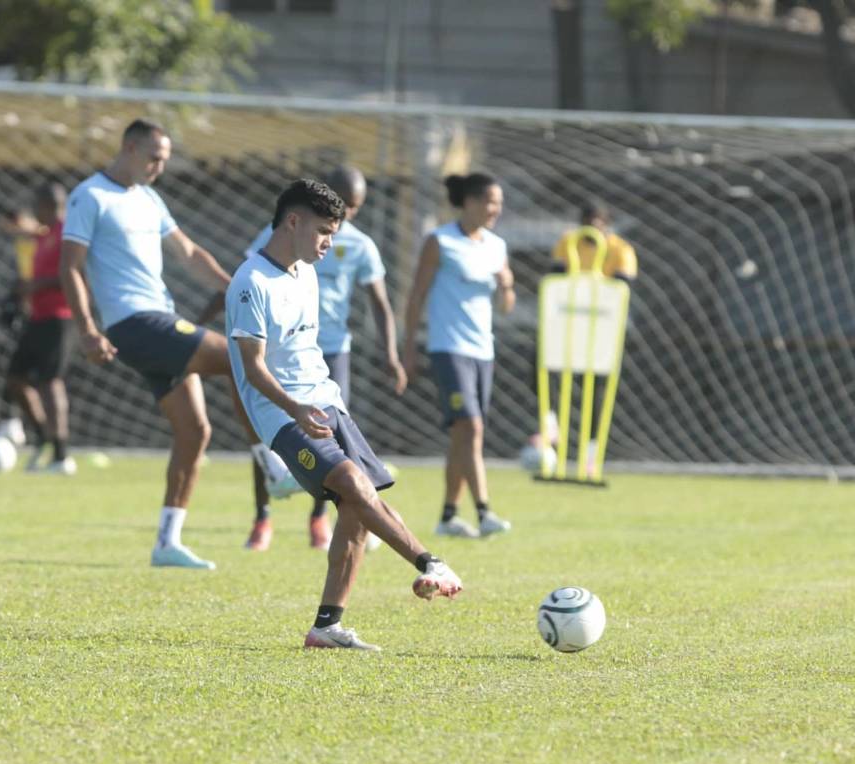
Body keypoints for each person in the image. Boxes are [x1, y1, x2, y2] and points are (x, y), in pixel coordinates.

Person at [227, 179, 462, 651]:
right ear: (293, 222)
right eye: (323, 232)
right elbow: (252, 370)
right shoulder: (251, 282)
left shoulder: (305, 273)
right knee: (354, 484)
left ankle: (327, 627)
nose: (330, 243)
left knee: (358, 508)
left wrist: (325, 404)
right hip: (283, 414)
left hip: (327, 401)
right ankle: (429, 562)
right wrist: (294, 407)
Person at [60, 118, 300, 571]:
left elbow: (189, 254)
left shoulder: (149, 199)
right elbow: (69, 266)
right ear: (129, 148)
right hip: (134, 323)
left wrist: (237, 290)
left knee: (195, 432)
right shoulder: (89, 196)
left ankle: (167, 543)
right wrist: (88, 329)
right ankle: (272, 467)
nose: (159, 167)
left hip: (160, 319)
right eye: (154, 157)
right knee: (238, 356)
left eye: (165, 160)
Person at [242, 165, 404, 552]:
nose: (348, 212)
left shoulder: (360, 245)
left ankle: (319, 519)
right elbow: (248, 277)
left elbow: (379, 302)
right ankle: (262, 519)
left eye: (355, 206)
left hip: (332, 350)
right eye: (343, 202)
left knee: (327, 436)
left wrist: (392, 353)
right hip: (282, 350)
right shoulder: (287, 232)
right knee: (271, 431)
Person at [403, 173, 515, 540]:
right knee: (472, 428)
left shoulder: (496, 246)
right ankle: (484, 512)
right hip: (448, 348)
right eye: (489, 201)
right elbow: (416, 296)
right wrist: (408, 348)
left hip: (484, 350)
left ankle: (449, 516)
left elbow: (506, 306)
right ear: (468, 202)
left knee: (462, 436)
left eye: (498, 202)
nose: (495, 209)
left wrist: (507, 287)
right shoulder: (440, 241)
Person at [535, 200, 638, 473]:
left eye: (599, 223)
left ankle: (592, 452)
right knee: (544, 365)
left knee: (598, 388)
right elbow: (556, 276)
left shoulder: (621, 250)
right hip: (569, 325)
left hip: (601, 329)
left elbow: (622, 286)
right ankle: (550, 424)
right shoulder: (569, 242)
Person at [3, 182, 75, 474]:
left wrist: (34, 285)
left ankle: (61, 456)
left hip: (59, 318)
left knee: (50, 382)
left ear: (48, 205)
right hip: (37, 317)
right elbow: (22, 229)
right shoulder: (44, 235)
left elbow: (71, 275)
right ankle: (44, 435)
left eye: (37, 205)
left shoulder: (66, 235)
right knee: (15, 380)